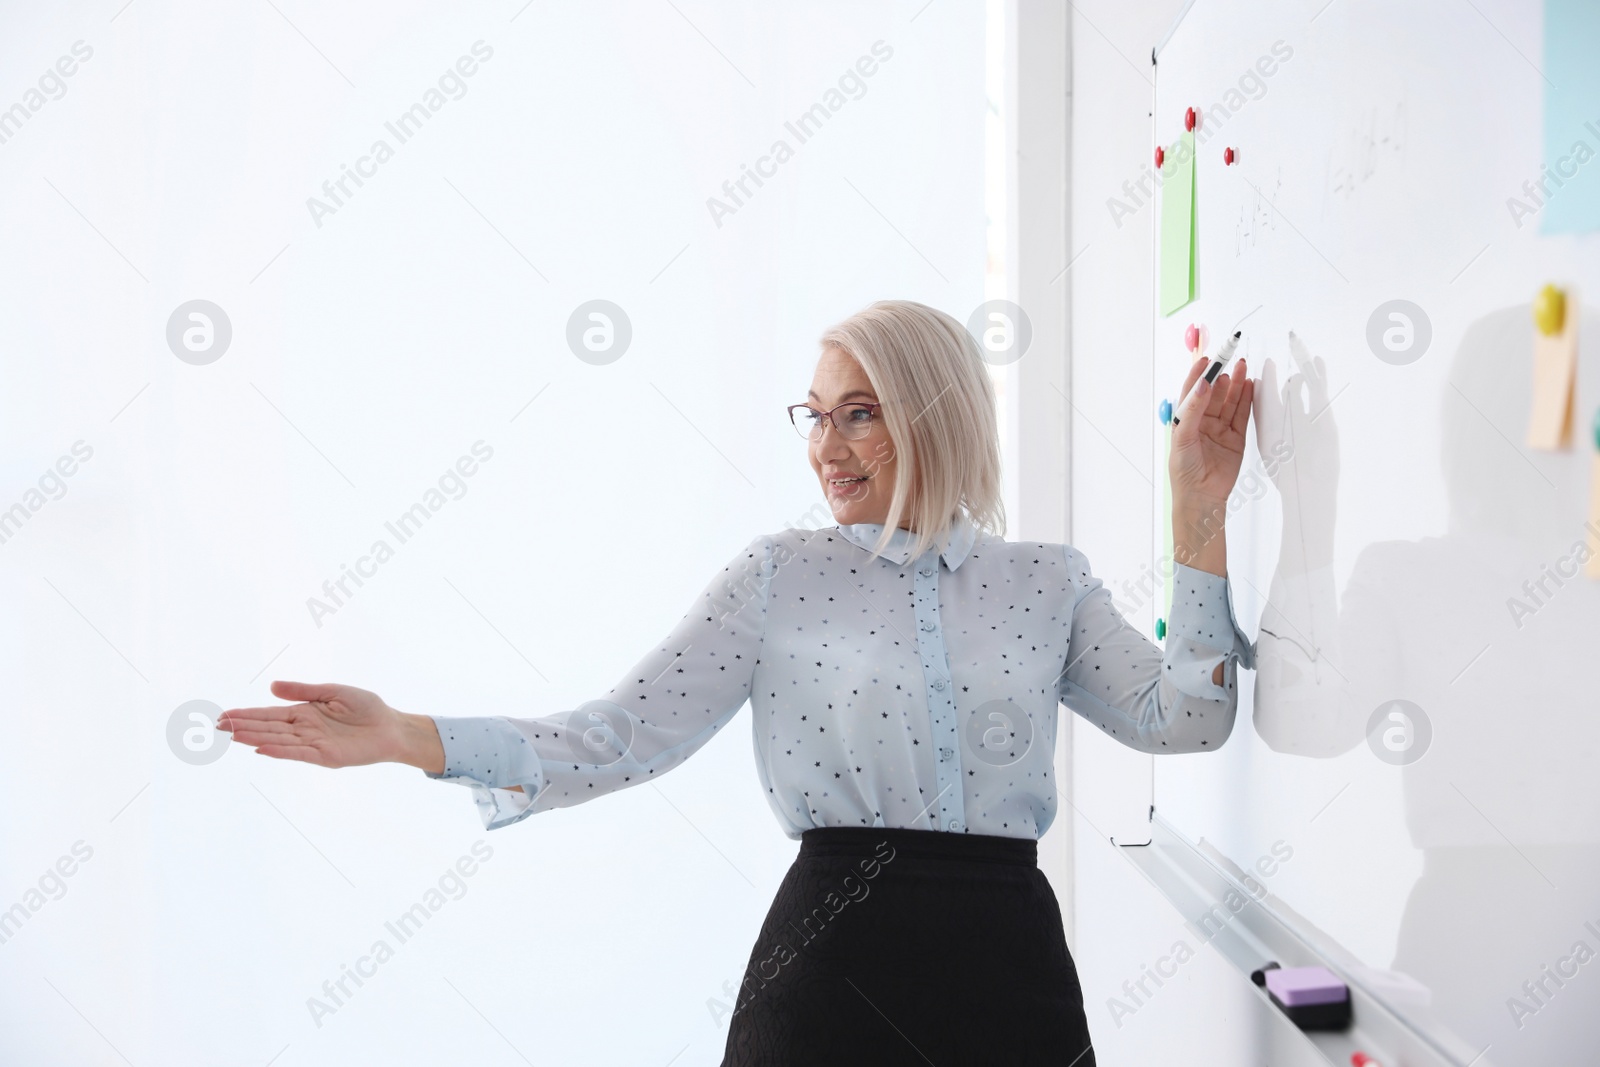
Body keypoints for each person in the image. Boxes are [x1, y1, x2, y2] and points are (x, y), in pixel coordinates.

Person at [218, 299, 1255, 1065]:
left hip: (1009, 970)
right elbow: (617, 734)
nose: (824, 447)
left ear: (933, 415)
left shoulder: (1047, 582)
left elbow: (1190, 717)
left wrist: (1196, 509)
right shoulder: (777, 577)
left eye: (857, 413)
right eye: (811, 414)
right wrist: (408, 734)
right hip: (831, 970)